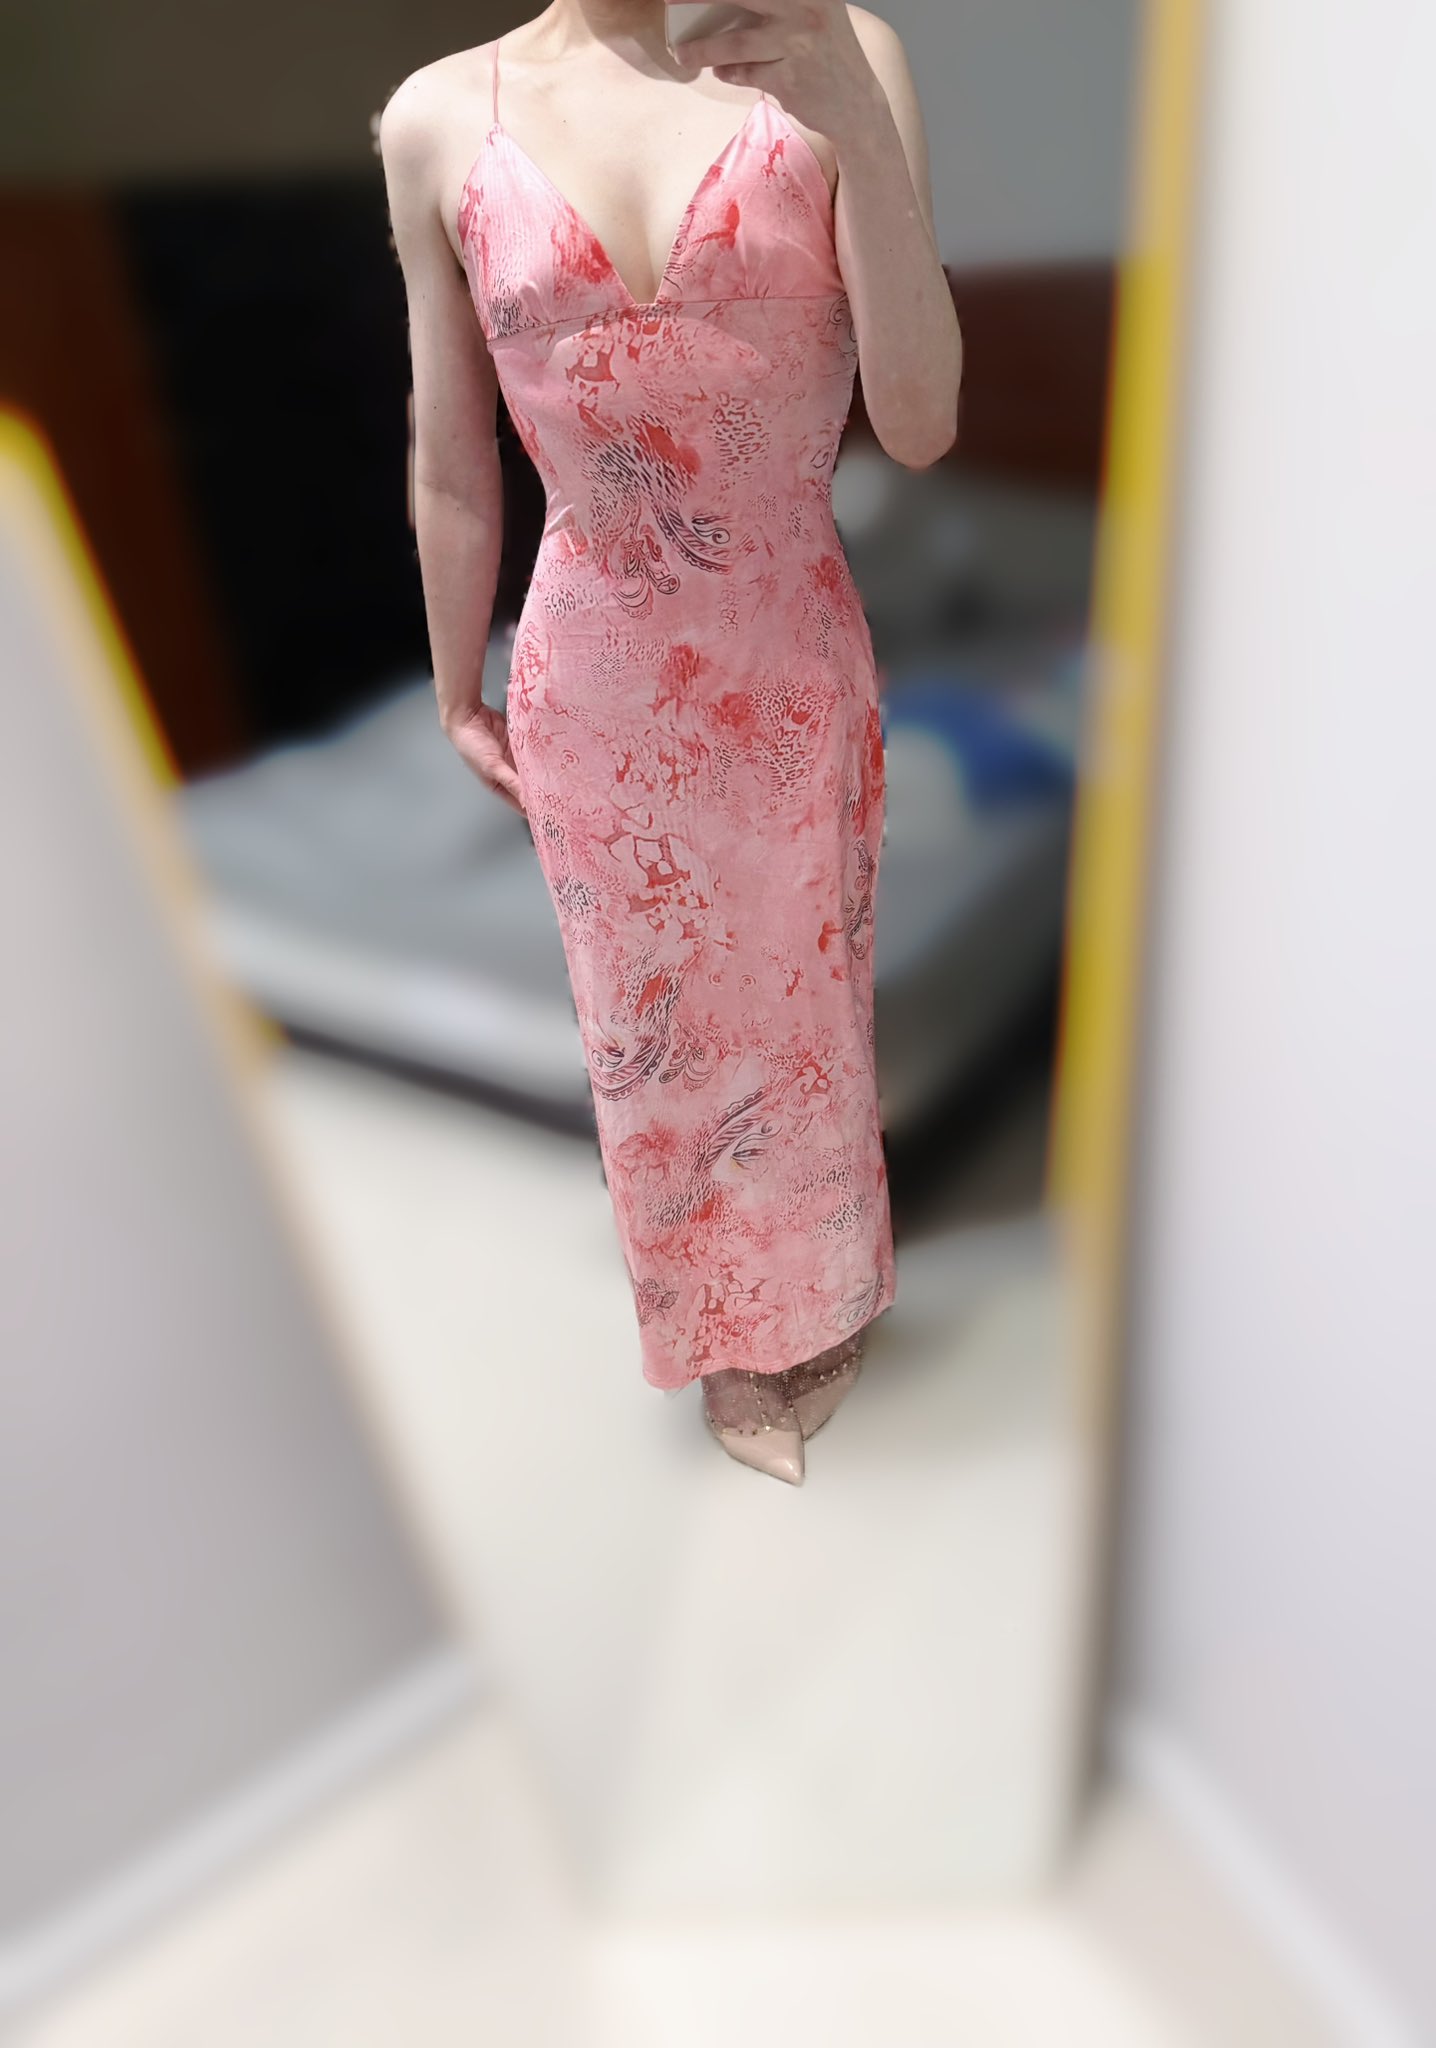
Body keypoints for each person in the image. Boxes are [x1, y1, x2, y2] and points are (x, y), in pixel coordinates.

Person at [377, 1, 961, 1484]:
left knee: (805, 1006)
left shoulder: (840, 49)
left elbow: (918, 421)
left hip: (785, 654)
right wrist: (455, 682)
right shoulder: (440, 114)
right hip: (593, 677)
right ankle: (726, 1336)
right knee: (649, 1038)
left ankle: (823, 1300)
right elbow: (451, 452)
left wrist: (849, 112)